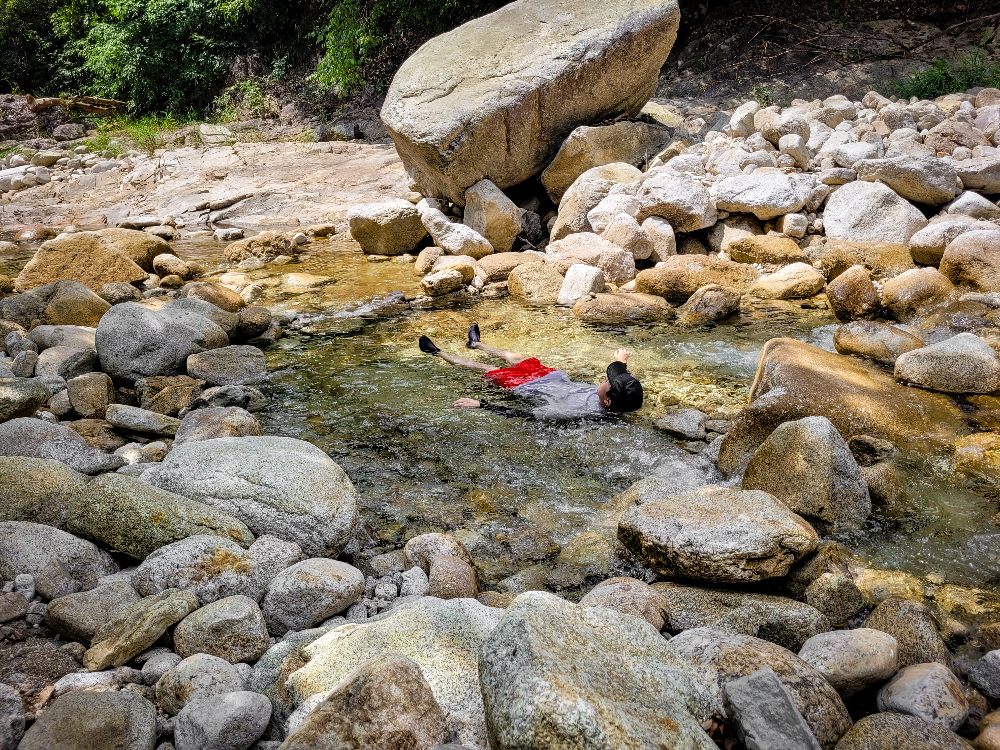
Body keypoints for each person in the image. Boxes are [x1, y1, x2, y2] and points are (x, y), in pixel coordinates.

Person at [418, 323, 643, 420]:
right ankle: (476, 344)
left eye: (609, 381)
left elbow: (527, 415)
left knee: (489, 368)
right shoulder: (620, 397)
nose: (606, 377)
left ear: (608, 403)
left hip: (527, 387)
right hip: (552, 377)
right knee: (516, 357)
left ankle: (438, 353)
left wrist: (482, 405)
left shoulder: (575, 410)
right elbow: (623, 384)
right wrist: (621, 362)